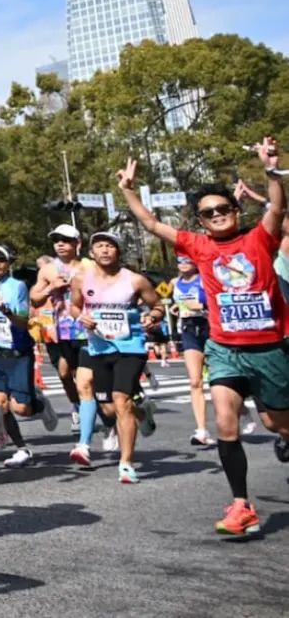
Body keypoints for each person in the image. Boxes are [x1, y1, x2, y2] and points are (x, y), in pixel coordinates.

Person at [119, 147, 289, 535]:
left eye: (223, 208)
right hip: (224, 349)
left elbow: (277, 210)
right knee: (226, 426)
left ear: (236, 209)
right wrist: (129, 191)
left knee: (279, 423)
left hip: (269, 349)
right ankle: (242, 506)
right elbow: (151, 224)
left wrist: (272, 172)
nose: (217, 215)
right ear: (200, 220)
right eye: (208, 212)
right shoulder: (199, 246)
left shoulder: (258, 239)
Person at [65, 229, 164, 482]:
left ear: (118, 251)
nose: (105, 250)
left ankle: (126, 463)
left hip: (130, 347)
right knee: (109, 410)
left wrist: (152, 318)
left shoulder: (135, 280)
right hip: (99, 348)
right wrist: (80, 317)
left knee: (121, 400)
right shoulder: (80, 280)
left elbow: (158, 306)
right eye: (99, 246)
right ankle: (143, 413)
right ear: (91, 253)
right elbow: (74, 306)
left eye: (110, 246)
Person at [0, 245, 58, 466]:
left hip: (18, 351)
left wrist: (8, 313)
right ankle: (21, 448)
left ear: (9, 263)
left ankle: (39, 404)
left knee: (21, 408)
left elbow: (23, 322)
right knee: (0, 404)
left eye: (1, 259)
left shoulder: (17, 287)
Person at [30, 224, 86, 432]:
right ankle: (77, 406)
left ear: (77, 243)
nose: (60, 244)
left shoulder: (88, 267)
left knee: (84, 378)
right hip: (58, 330)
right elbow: (34, 298)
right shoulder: (48, 269)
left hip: (83, 328)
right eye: (56, 240)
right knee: (63, 373)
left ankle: (92, 413)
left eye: (65, 240)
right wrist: (51, 288)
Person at [169, 253, 215, 445]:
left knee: (222, 378)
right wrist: (176, 308)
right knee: (195, 381)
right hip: (189, 330)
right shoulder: (174, 282)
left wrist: (200, 306)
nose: (183, 264)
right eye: (180, 261)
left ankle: (243, 411)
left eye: (187, 260)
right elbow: (177, 303)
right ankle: (202, 430)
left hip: (210, 329)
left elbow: (215, 302)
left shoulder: (205, 279)